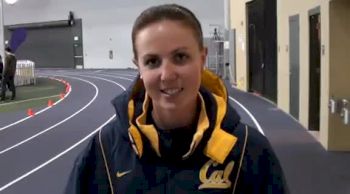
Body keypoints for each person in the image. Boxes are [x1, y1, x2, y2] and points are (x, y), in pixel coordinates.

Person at [65, 4, 288, 194]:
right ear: (138, 68)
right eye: (152, 61)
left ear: (202, 58)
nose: (168, 75)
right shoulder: (104, 150)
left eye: (180, 57)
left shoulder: (249, 150)